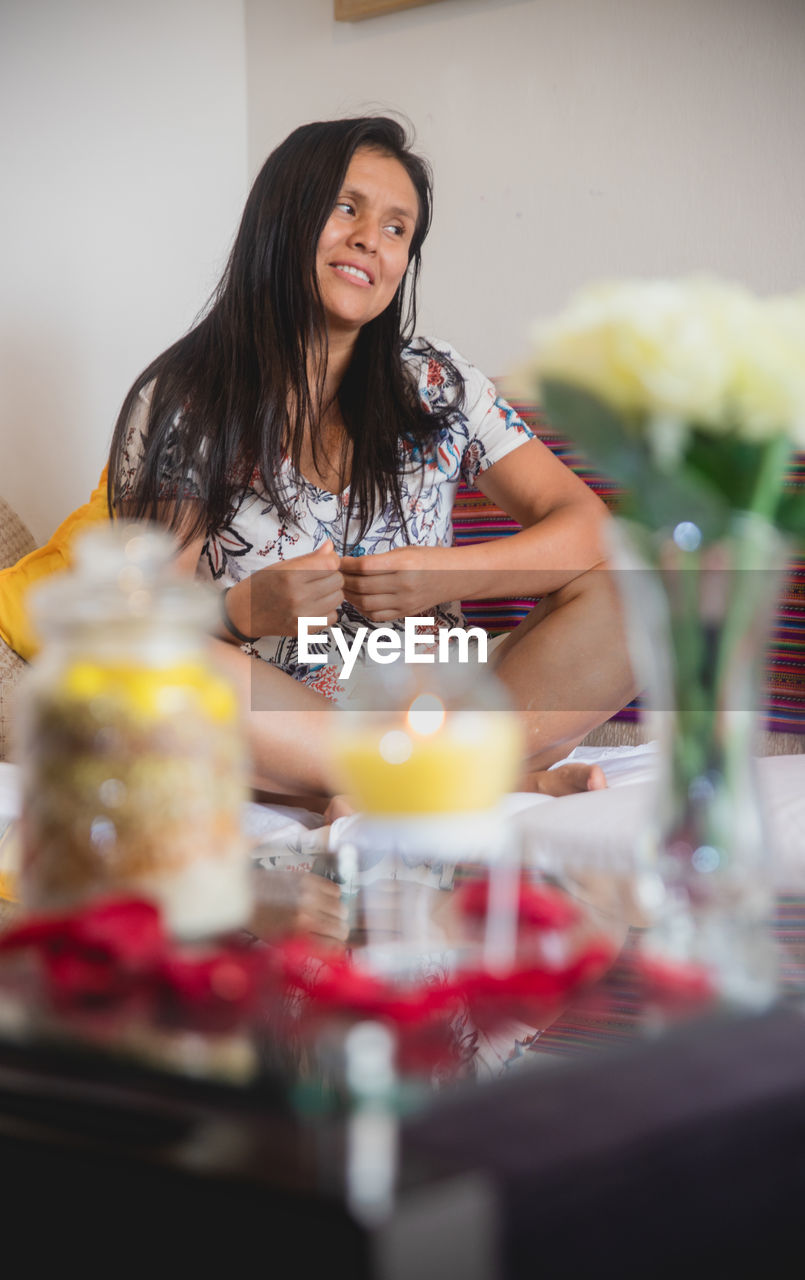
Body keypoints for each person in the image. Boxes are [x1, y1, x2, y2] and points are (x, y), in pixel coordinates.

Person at [108, 115, 636, 946]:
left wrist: (451, 576)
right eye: (346, 209)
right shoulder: (188, 398)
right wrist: (245, 610)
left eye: (397, 228)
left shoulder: (436, 383)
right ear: (284, 217)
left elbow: (587, 531)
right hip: (287, 718)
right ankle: (473, 782)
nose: (371, 241)